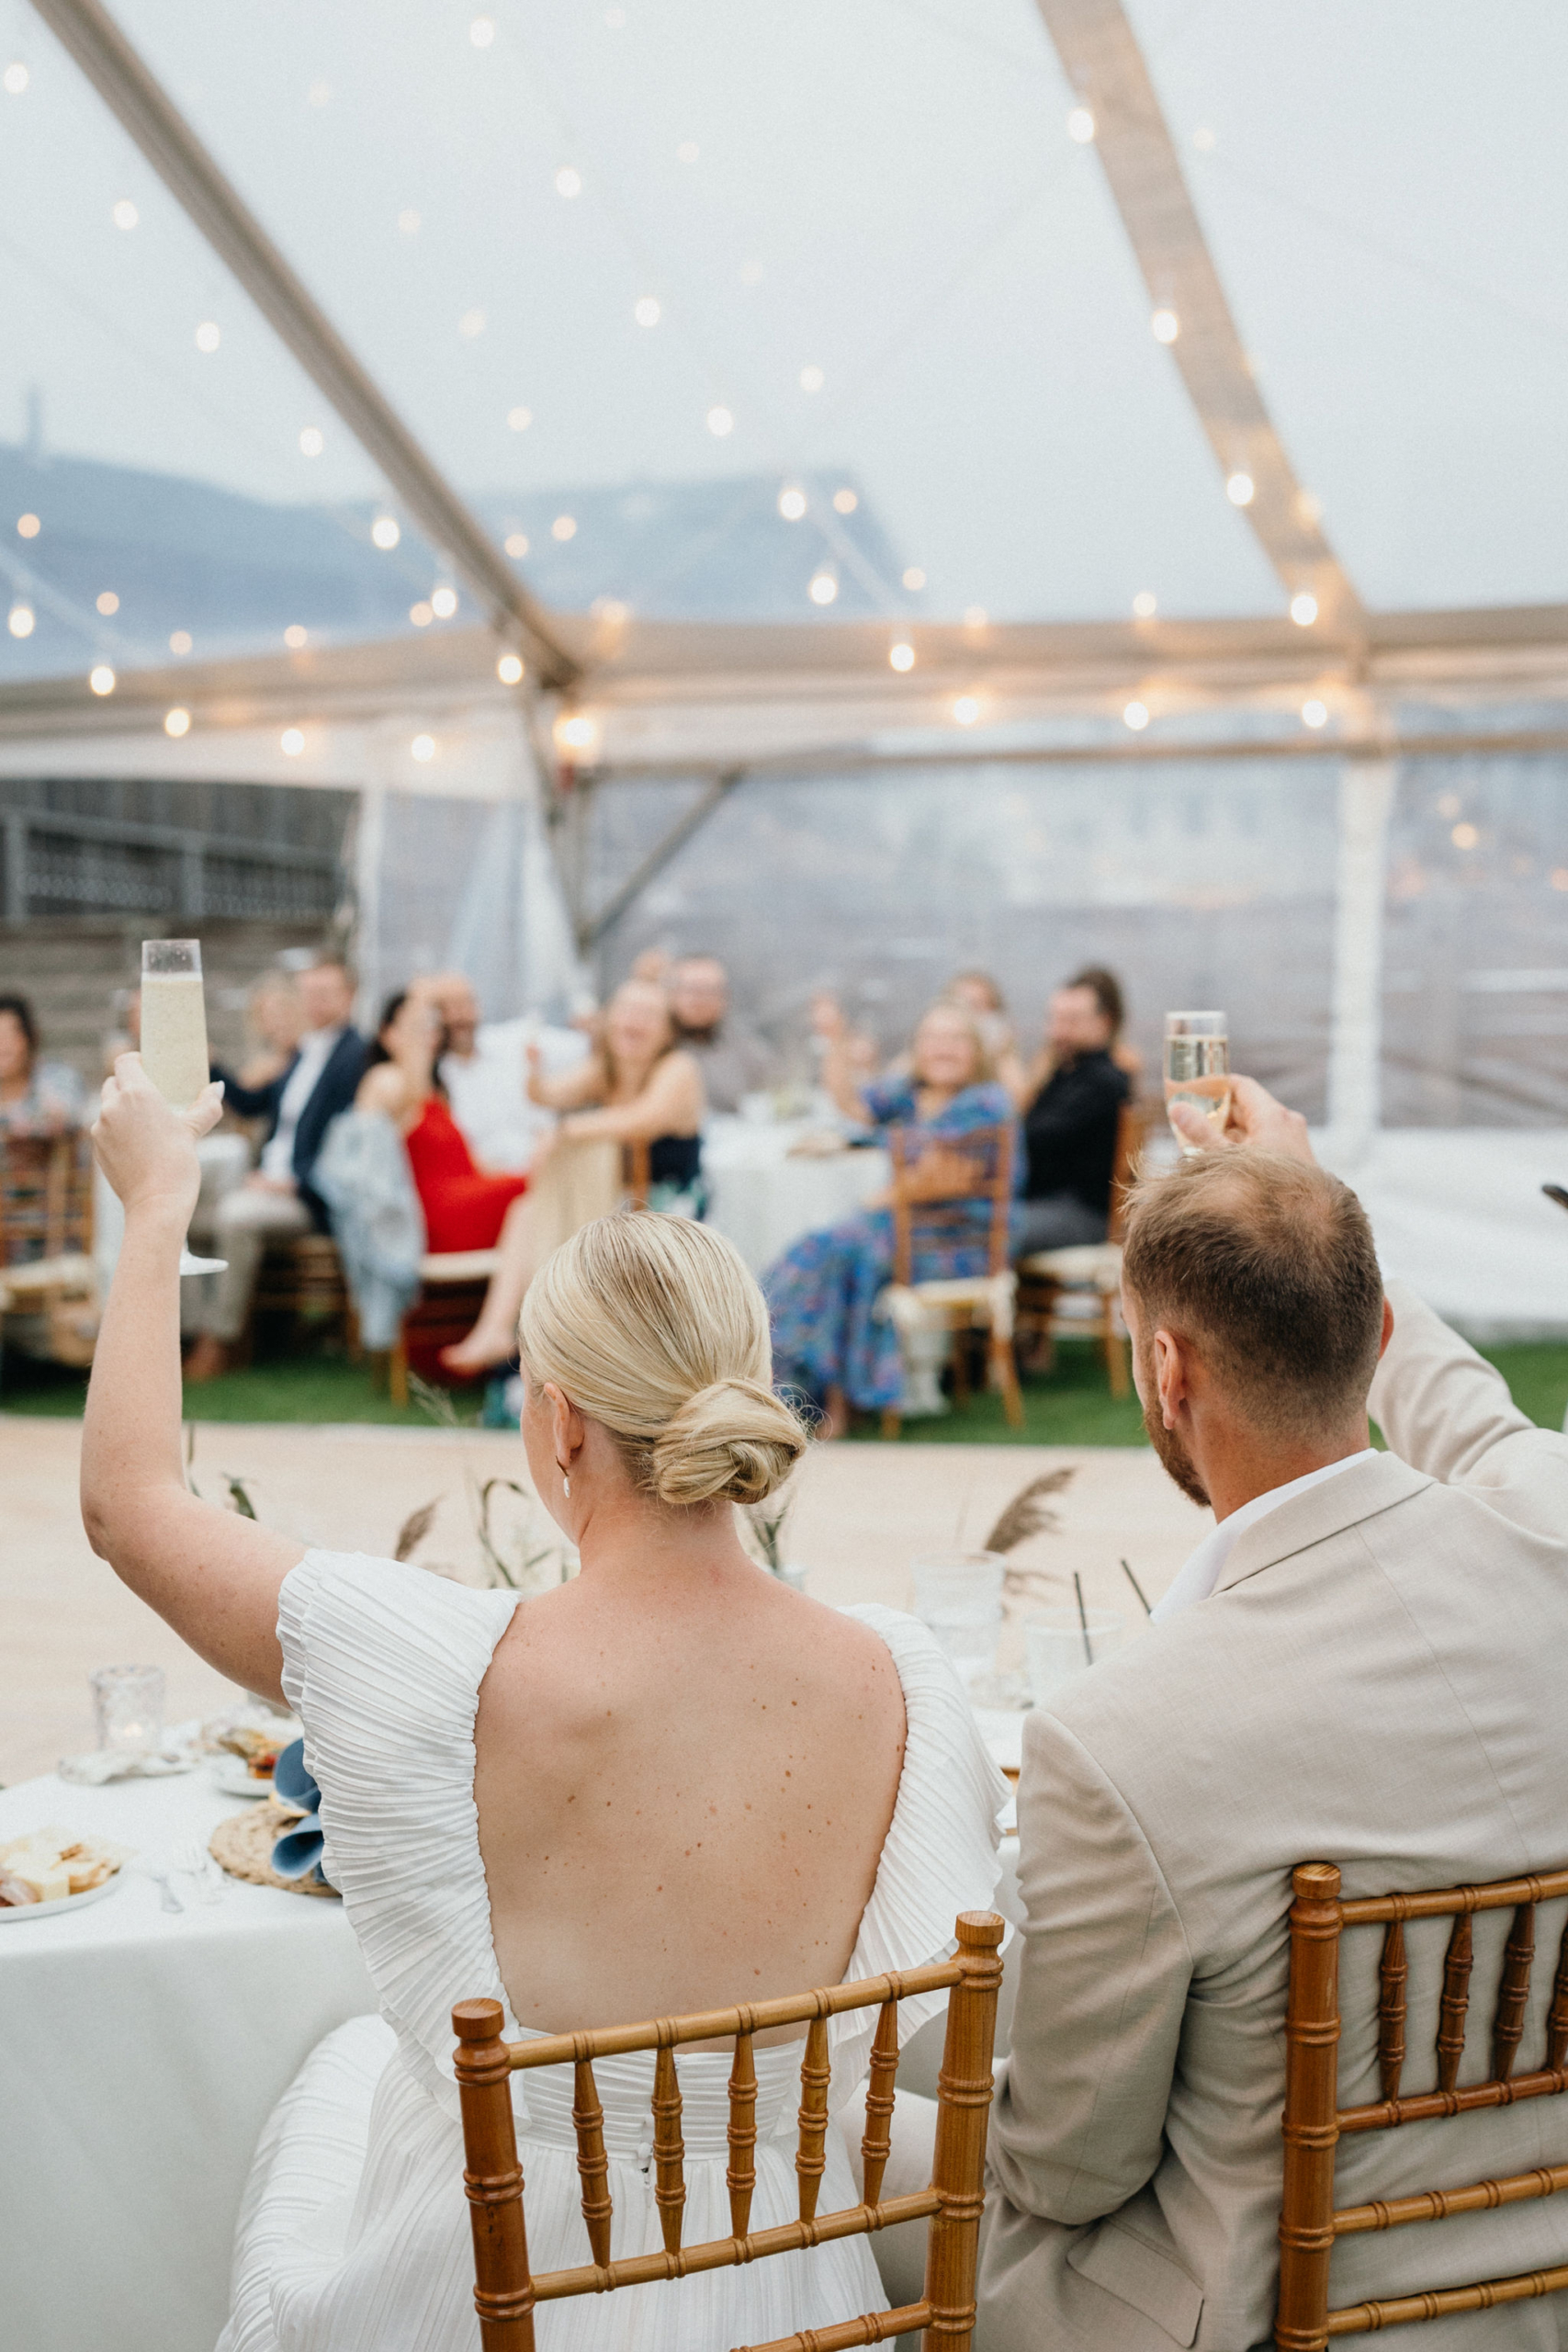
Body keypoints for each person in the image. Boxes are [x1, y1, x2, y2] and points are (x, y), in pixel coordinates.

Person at [79, 1072, 1008, 2352]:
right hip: (798, 2312)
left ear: (558, 1423)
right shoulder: (904, 1678)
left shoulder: (441, 1662)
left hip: (493, 2301)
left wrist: (158, 1200)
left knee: (332, 2080)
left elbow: (128, 1508)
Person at [921, 1075, 1568, 2350]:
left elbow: (1064, 2174)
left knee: (833, 2154)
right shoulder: (1549, 1540)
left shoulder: (1119, 1739)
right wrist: (1302, 1185)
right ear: (1376, 1337)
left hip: (1276, 2316)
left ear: (1165, 1368)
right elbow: (1475, 1427)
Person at [764, 1001, 1021, 1438]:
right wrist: (837, 1041)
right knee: (819, 1248)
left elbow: (937, 1179)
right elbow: (850, 1105)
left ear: (976, 1051)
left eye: (956, 1039)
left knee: (848, 1250)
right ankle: (785, 1381)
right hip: (903, 1228)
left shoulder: (987, 1103)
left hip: (961, 1241)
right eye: (933, 1039)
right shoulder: (910, 1094)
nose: (944, 1049)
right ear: (917, 1049)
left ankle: (827, 1401)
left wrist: (874, 1202)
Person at [437, 976, 706, 1374]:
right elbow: (546, 1096)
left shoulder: (678, 1069)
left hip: (667, 1212)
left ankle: (545, 1329)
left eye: (648, 1015)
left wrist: (566, 1132)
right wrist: (533, 1072)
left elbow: (641, 1120)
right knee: (526, 1210)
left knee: (564, 1170)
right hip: (611, 1207)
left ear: (667, 1029)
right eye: (627, 1011)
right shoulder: (605, 1069)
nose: (634, 1022)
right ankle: (501, 1328)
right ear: (610, 1020)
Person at [183, 959, 367, 1381]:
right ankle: (194, 1330)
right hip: (268, 1186)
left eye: (326, 992)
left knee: (235, 1217)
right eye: (309, 993)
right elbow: (251, 1102)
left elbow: (349, 1146)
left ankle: (220, 1339)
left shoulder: (356, 1056)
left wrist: (290, 1184)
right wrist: (211, 1063)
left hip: (307, 1197)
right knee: (185, 1215)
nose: (315, 1002)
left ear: (349, 995)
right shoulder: (303, 1054)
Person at [356, 989, 529, 1251]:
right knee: (534, 1192)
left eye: (432, 1026)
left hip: (467, 1196)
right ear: (388, 1034)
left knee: (540, 1187)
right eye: (417, 1026)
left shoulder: (437, 1094)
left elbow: (472, 1163)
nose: (427, 1033)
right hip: (437, 1212)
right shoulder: (386, 1080)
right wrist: (428, 990)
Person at [416, 970, 588, 1172]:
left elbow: (586, 1048)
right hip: (487, 1181)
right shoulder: (432, 1079)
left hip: (547, 1166)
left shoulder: (515, 1041)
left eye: (466, 1003)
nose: (459, 1015)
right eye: (447, 1007)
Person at [1015, 969, 1132, 1256]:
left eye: (1071, 1021)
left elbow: (1034, 1140)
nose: (1057, 1032)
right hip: (1045, 1206)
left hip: (1083, 1215)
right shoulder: (1065, 1074)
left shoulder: (1104, 1082)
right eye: (1054, 1019)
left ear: (1105, 1022)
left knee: (983, 1232)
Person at [669, 954, 773, 1114]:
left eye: (711, 991)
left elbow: (774, 1082)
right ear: (672, 993)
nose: (702, 1000)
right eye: (693, 990)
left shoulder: (738, 1041)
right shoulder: (657, 1045)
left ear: (725, 998)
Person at [0, 993, 85, 1137]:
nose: (2, 1045)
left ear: (29, 1038)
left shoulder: (57, 1078)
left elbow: (68, 1117)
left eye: (9, 1035)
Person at [941, 972, 1030, 1108]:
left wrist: (1002, 1051)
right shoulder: (933, 1050)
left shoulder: (1001, 1054)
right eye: (959, 1005)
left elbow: (1019, 1106)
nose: (967, 1014)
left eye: (976, 1006)